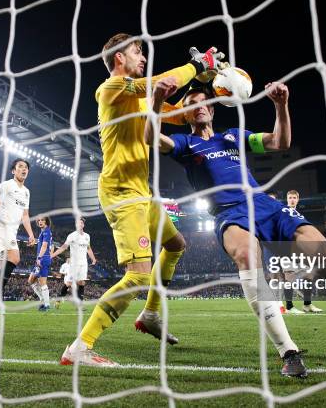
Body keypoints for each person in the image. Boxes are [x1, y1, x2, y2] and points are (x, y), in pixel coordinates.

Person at [145, 77, 326, 375]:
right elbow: (151, 137)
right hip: (230, 214)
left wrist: (281, 104)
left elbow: (280, 142)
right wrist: (159, 99)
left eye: (204, 103)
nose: (199, 107)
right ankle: (288, 352)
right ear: (186, 115)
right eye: (191, 106)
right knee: (247, 257)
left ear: (213, 109)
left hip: (266, 206)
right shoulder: (184, 144)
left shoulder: (233, 136)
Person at [60, 33, 225, 367]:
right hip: (121, 192)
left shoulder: (139, 99)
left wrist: (216, 91)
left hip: (141, 192)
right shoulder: (111, 88)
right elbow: (162, 84)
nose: (143, 57)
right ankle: (79, 347)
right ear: (119, 58)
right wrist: (197, 65)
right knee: (137, 275)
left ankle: (149, 315)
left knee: (176, 244)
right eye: (138, 52)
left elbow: (179, 113)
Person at [0, 159, 36, 324]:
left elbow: (25, 215)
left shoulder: (26, 192)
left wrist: (31, 234)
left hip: (12, 231)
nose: (24, 170)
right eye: (20, 167)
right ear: (13, 171)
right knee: (15, 258)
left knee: (3, 269)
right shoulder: (6, 185)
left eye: (26, 168)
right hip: (2, 227)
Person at [285, 190, 323, 314]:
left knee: (309, 276)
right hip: (288, 251)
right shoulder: (284, 213)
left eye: (294, 197)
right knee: (289, 277)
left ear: (298, 199)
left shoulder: (298, 215)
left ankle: (307, 305)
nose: (292, 200)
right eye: (290, 197)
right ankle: (289, 307)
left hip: (301, 252)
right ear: (287, 199)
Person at [51, 217, 97, 302]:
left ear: (83, 225)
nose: (80, 224)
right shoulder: (72, 236)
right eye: (78, 223)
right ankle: (58, 299)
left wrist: (93, 259)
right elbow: (63, 247)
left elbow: (89, 248)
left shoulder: (87, 236)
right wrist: (53, 255)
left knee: (82, 282)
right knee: (69, 283)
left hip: (84, 263)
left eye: (81, 223)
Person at [29, 216, 53, 311]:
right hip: (41, 259)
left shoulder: (47, 231)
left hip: (43, 259)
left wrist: (39, 258)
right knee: (31, 280)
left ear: (46, 221)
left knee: (42, 282)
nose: (40, 222)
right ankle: (42, 299)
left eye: (42, 220)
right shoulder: (43, 232)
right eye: (38, 220)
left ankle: (46, 305)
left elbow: (44, 246)